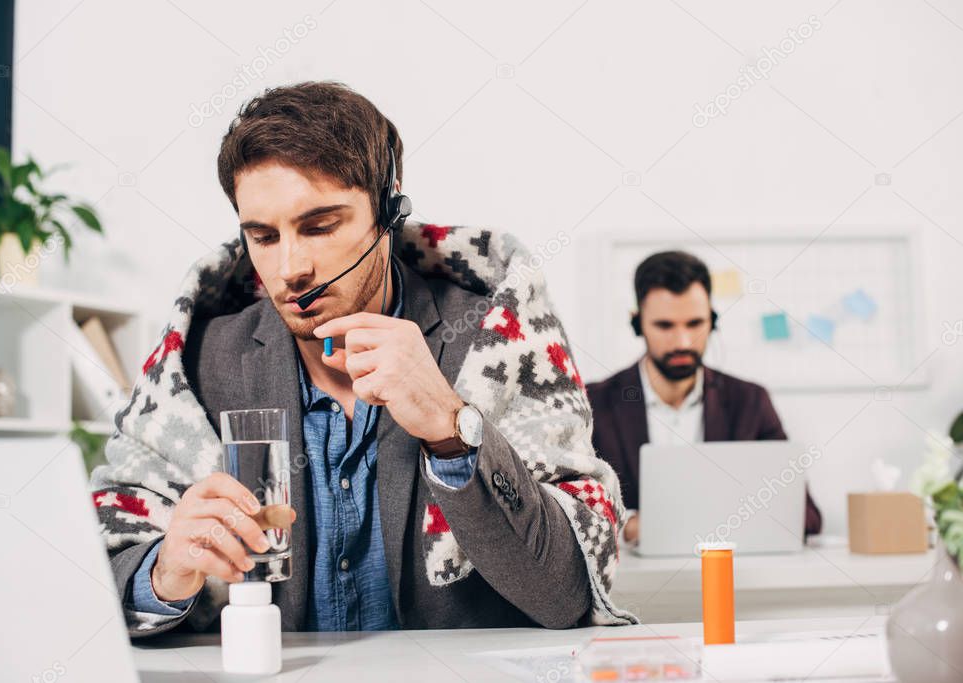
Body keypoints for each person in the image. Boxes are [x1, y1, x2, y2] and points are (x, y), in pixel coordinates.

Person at [90, 81, 636, 635]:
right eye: (264, 236)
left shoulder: (498, 337)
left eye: (320, 226)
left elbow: (566, 594)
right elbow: (88, 585)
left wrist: (453, 430)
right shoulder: (200, 363)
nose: (291, 268)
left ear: (389, 210)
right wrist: (162, 574)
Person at [587, 251, 822, 545]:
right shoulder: (593, 405)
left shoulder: (749, 401)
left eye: (695, 324)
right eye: (665, 326)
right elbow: (566, 515)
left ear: (713, 321)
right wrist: (630, 526)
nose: (683, 342)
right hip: (632, 584)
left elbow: (807, 515)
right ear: (637, 324)